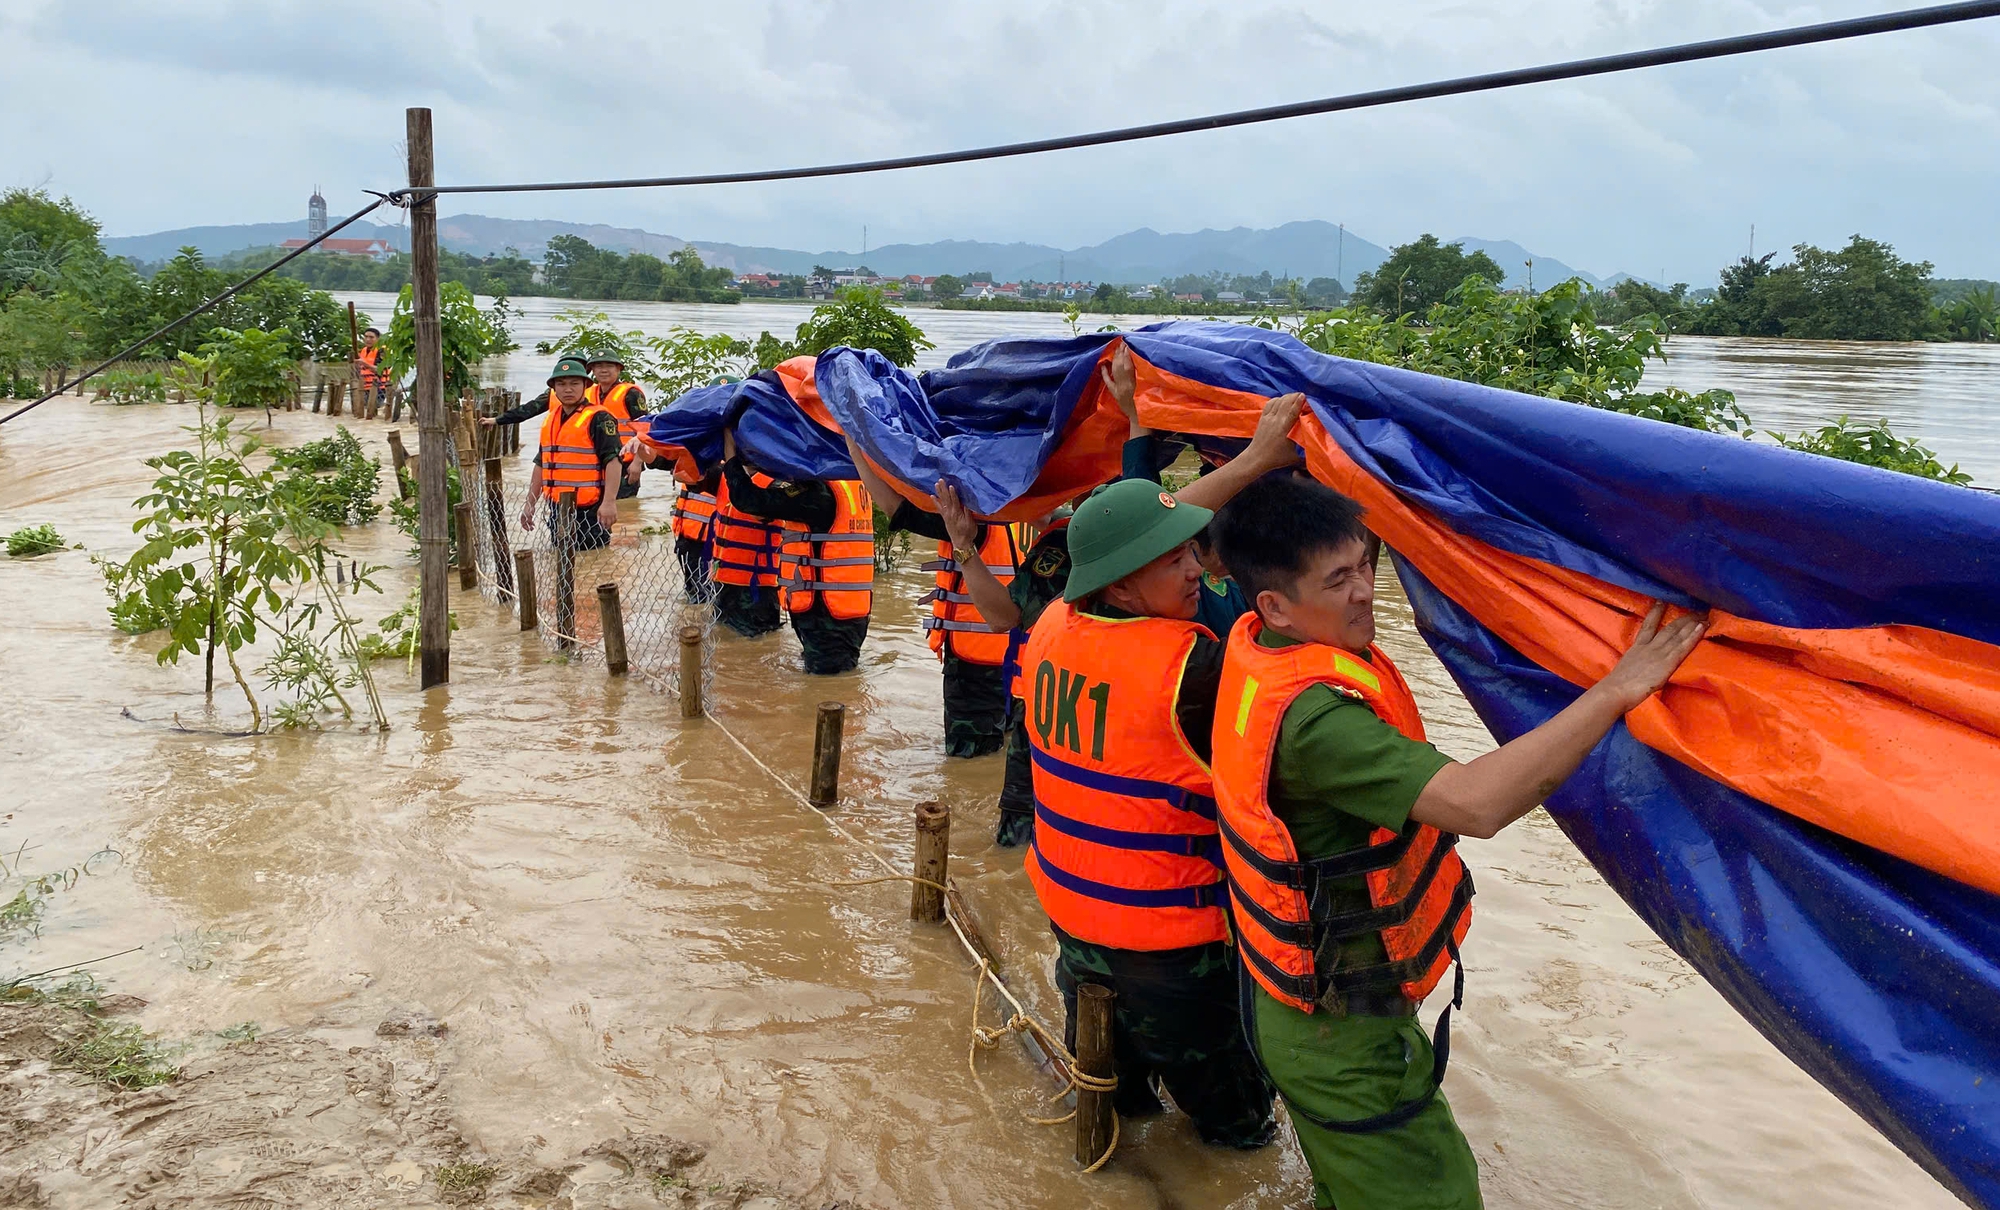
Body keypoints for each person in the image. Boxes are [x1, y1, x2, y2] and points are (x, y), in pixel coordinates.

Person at [1207, 475, 1706, 1210]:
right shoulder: (1320, 724)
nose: (1363, 591)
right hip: (1334, 1031)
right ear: (1274, 603)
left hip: (1298, 998)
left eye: (1364, 564)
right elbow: (1476, 805)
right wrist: (1616, 688)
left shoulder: (1259, 651)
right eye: (1337, 579)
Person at [1010, 390, 1306, 1149]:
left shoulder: (1051, 626)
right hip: (1175, 954)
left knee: (1120, 1105)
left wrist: (1250, 461)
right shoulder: (1195, 669)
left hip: (1077, 929)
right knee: (1238, 1135)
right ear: (1121, 585)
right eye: (1174, 560)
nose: (1196, 573)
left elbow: (1123, 537)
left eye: (1193, 552)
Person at [719, 429, 874, 673]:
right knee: (835, 686)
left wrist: (731, 456)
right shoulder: (849, 483)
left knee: (826, 690)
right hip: (840, 611)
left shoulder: (819, 493)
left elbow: (749, 500)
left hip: (827, 616)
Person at [520, 356, 623, 551]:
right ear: (554, 388)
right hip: (557, 507)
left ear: (585, 385)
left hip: (590, 509)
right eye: (561, 384)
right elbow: (542, 464)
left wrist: (609, 502)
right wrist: (530, 504)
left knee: (592, 560)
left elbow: (614, 461)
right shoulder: (551, 419)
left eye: (574, 383)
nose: (568, 389)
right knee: (561, 561)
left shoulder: (599, 418)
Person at [583, 350, 647, 499]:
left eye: (609, 366)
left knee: (622, 507)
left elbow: (645, 429)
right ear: (592, 370)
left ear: (618, 369)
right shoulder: (588, 393)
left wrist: (638, 463)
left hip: (626, 464)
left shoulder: (631, 393)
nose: (603, 370)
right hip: (596, 464)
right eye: (598, 366)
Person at [353, 327, 388, 414]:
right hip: (364, 386)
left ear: (378, 339)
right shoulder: (363, 350)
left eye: (371, 337)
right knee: (363, 409)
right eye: (366, 337)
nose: (368, 339)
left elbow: (379, 370)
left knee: (373, 410)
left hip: (379, 387)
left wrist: (364, 363)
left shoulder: (382, 351)